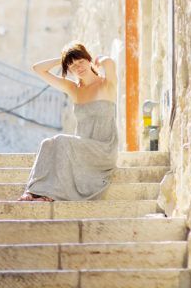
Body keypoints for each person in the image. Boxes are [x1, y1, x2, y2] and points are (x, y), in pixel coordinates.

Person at [18, 41, 118, 202]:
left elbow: (110, 63)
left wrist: (101, 59)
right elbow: (38, 69)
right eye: (72, 66)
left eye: (81, 61)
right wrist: (64, 58)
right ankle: (33, 191)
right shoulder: (73, 88)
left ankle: (51, 195)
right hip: (81, 147)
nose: (78, 67)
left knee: (61, 141)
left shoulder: (106, 84)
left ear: (88, 60)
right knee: (47, 143)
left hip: (103, 149)